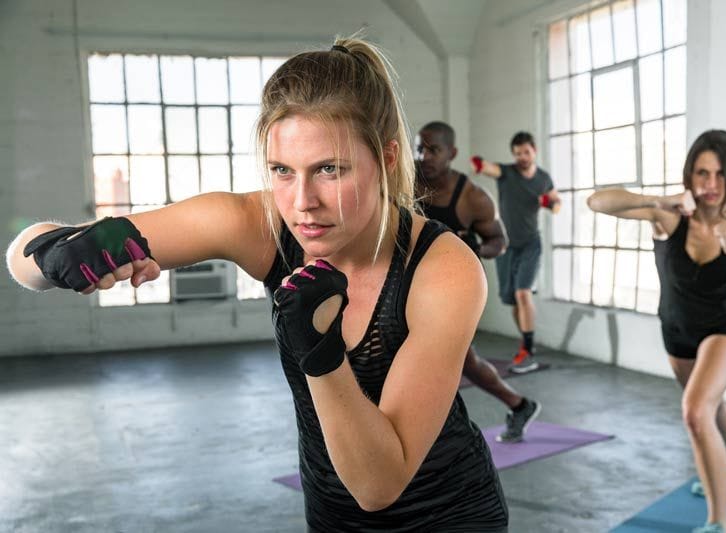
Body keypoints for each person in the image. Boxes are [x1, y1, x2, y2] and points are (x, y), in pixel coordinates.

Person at [6, 38, 509, 531]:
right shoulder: (259, 223)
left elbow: (378, 486)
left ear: (389, 158)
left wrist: (319, 350)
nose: (302, 202)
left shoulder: (443, 269)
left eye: (330, 169)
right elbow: (22, 257)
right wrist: (62, 254)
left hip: (451, 513)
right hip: (331, 515)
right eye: (281, 171)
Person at [587, 130, 726, 533]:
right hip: (676, 329)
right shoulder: (670, 213)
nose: (710, 185)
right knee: (711, 402)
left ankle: (719, 523)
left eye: (721, 174)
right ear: (690, 174)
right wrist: (656, 200)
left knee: (695, 411)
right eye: (702, 173)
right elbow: (597, 202)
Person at [415, 121, 541, 443]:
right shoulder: (405, 179)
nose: (424, 156)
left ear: (452, 153)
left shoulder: (472, 197)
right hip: (413, 285)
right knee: (467, 362)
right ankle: (519, 404)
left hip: (454, 291)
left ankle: (430, 436)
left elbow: (499, 240)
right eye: (420, 148)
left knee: (440, 359)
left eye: (433, 149)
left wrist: (475, 247)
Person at [471, 132, 561, 373]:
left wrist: (549, 203)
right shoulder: (507, 172)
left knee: (523, 294)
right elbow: (491, 169)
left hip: (531, 244)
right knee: (512, 300)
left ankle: (528, 349)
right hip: (506, 246)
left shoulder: (543, 178)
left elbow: (557, 204)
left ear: (535, 151)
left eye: (526, 152)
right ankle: (525, 342)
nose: (522, 157)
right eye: (518, 153)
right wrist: (480, 164)